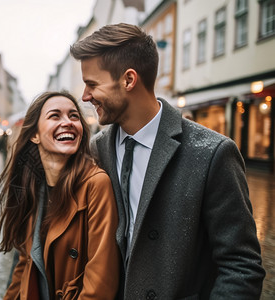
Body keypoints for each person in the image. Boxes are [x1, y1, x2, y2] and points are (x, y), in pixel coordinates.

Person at [70, 23, 265, 299]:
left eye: (92, 84)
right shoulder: (96, 150)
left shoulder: (212, 153)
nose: (85, 96)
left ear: (128, 79)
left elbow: (241, 266)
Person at [0, 91, 120, 299]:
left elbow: (101, 283)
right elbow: (24, 265)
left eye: (74, 116)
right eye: (55, 116)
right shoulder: (33, 186)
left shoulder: (95, 184)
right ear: (35, 135)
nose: (67, 122)